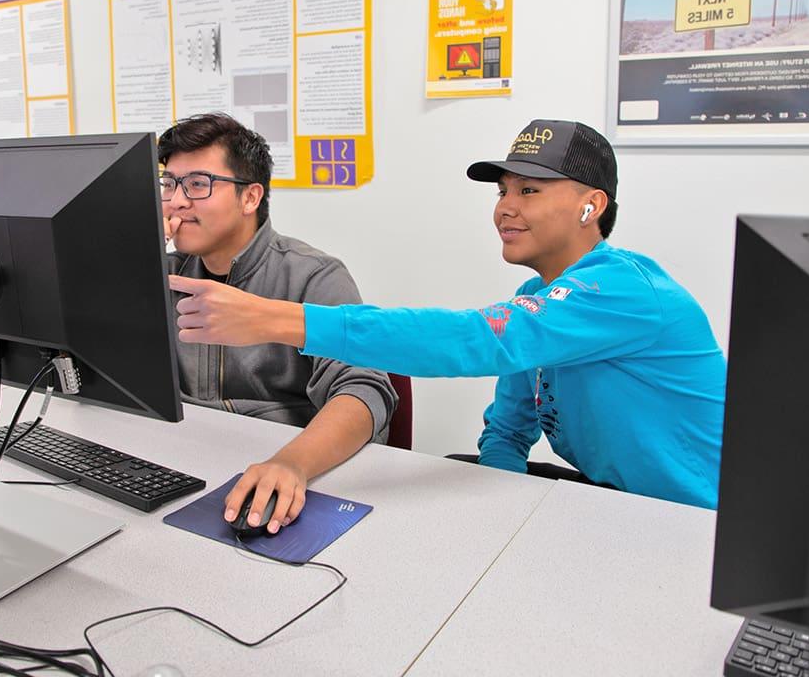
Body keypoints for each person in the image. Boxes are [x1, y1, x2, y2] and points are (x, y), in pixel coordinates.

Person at [169, 119, 727, 510]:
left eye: (529, 191)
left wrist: (278, 319)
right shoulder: (538, 297)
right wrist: (497, 519)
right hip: (609, 502)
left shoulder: (624, 289)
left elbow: (471, 340)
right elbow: (508, 433)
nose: (505, 208)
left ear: (592, 205)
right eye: (503, 192)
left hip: (687, 523)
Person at [158, 113, 397, 532]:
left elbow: (364, 388)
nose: (176, 201)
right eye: (169, 184)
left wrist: (292, 463)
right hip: (184, 459)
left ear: (250, 197)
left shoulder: (313, 275)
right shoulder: (161, 272)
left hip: (281, 467)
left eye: (197, 184)